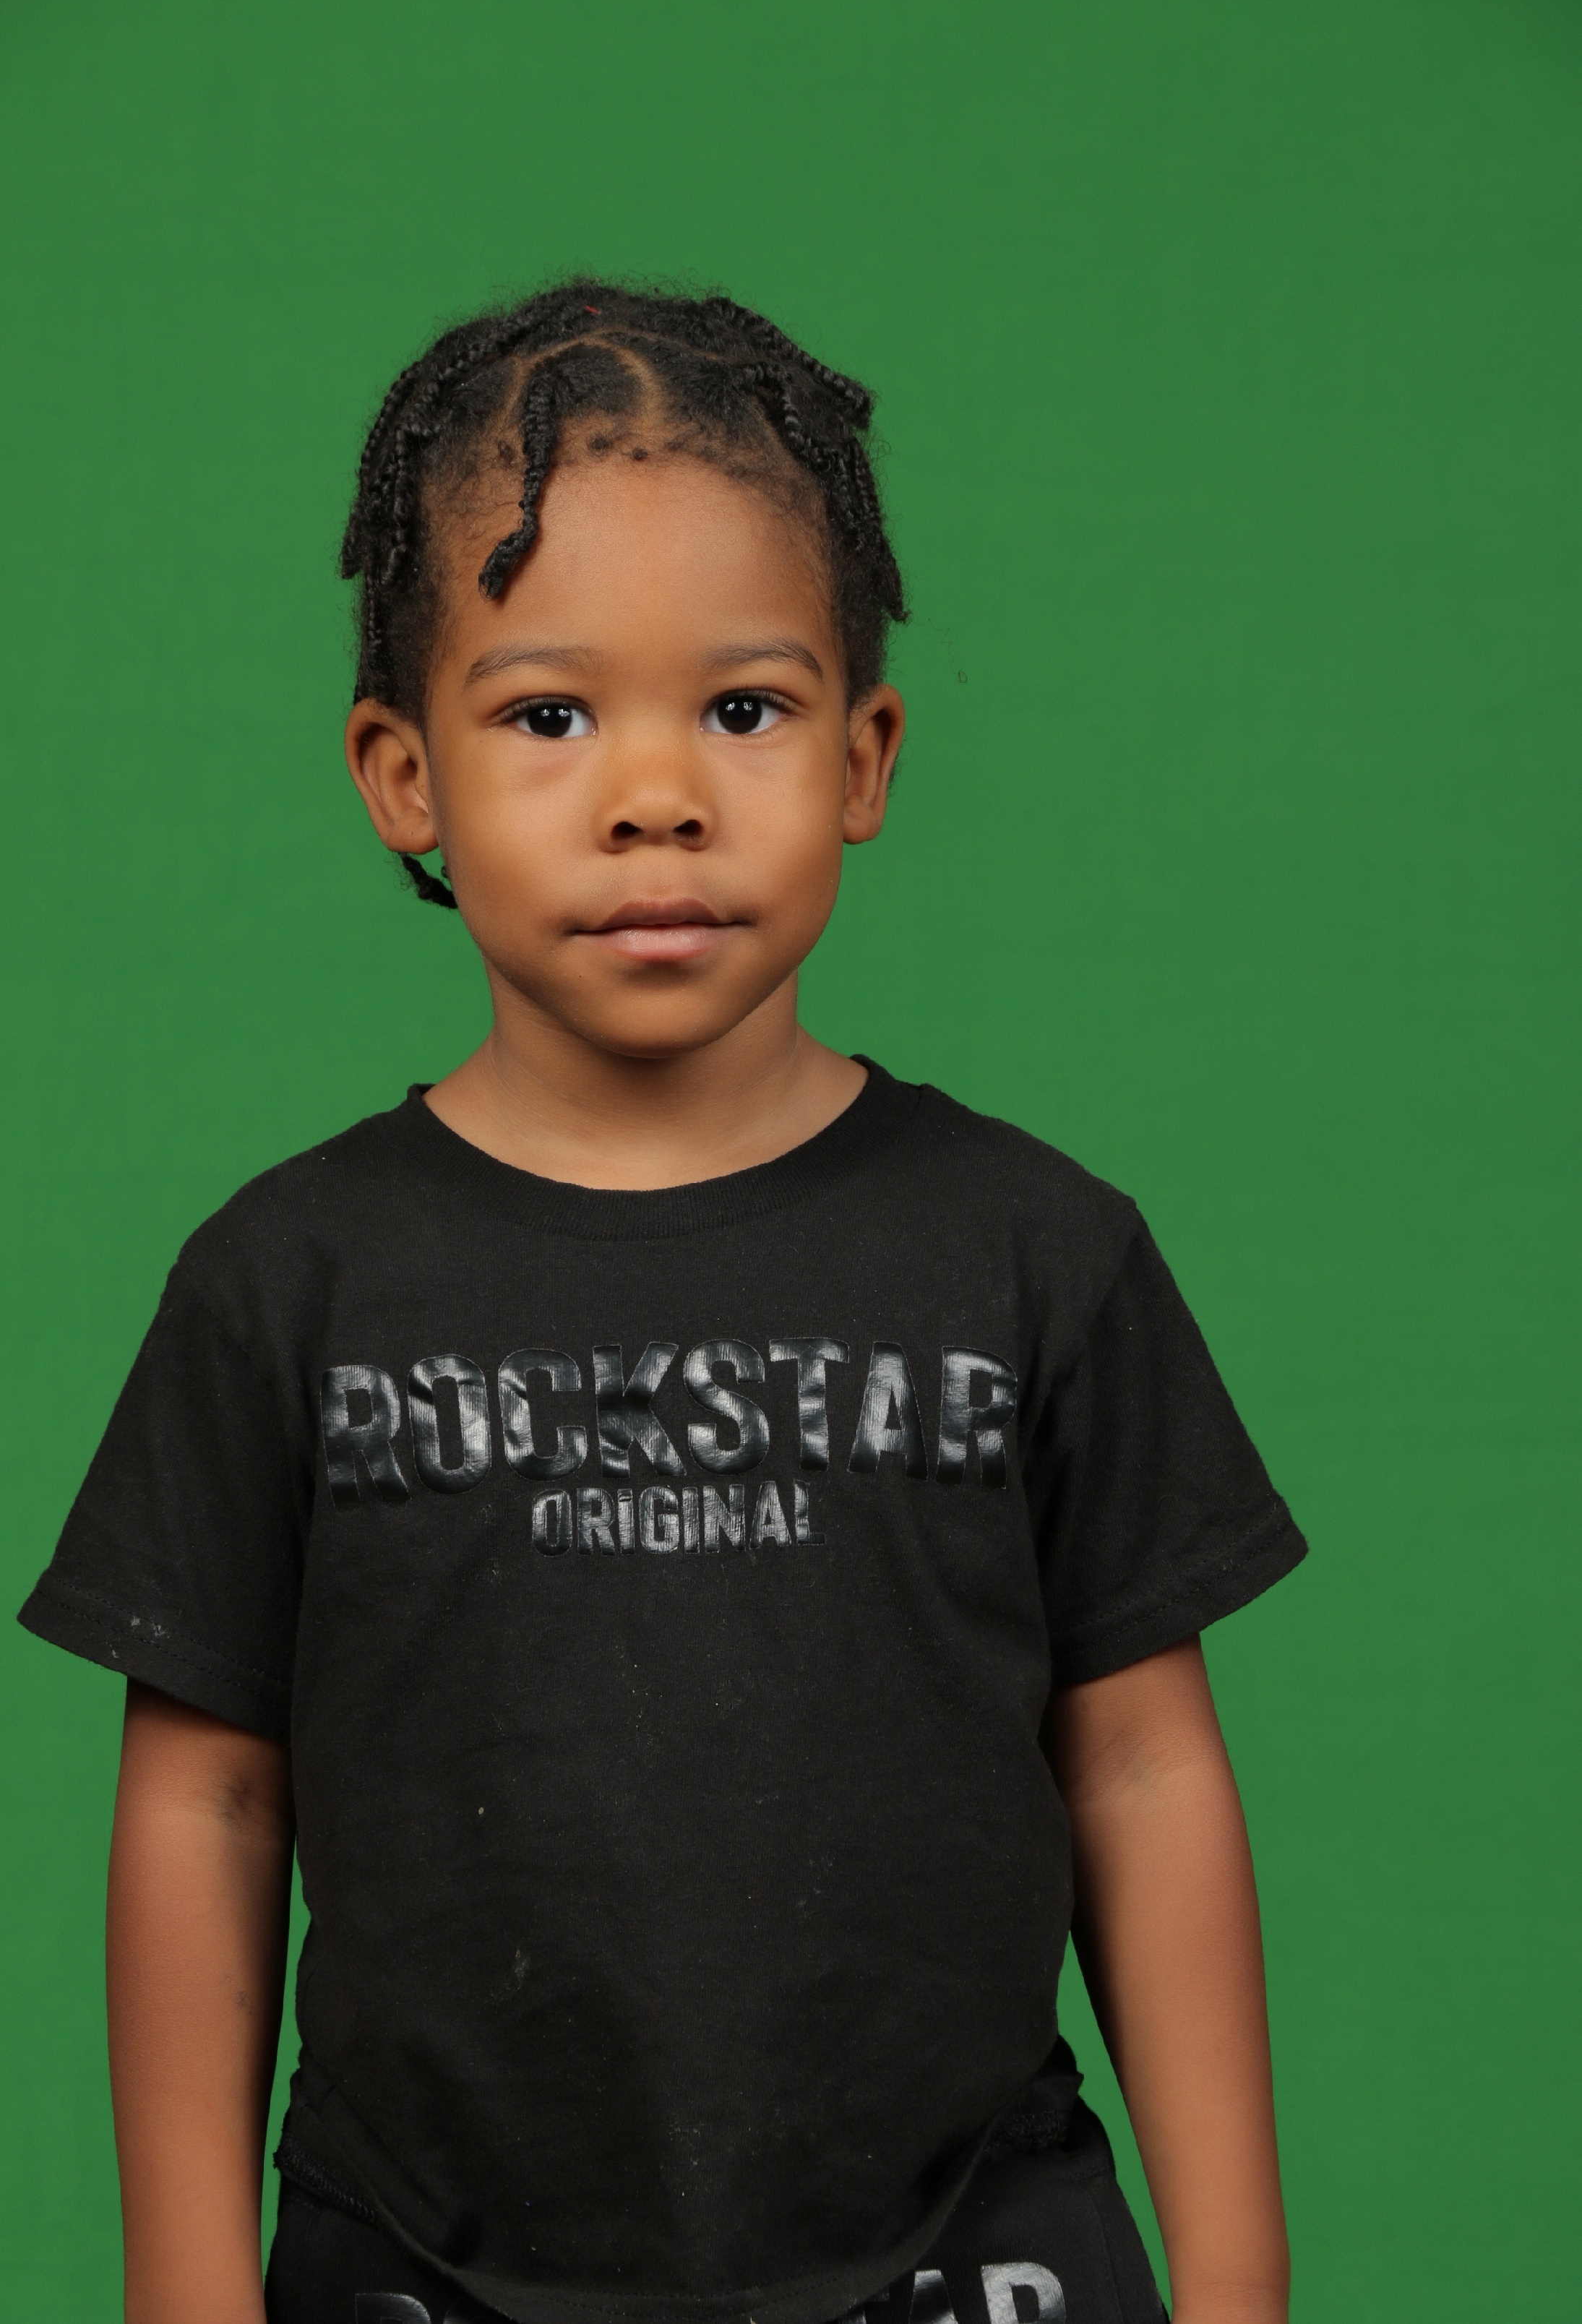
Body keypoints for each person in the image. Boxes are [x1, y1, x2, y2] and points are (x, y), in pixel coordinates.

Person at [20, 282, 1305, 2324]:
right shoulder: (285, 1283)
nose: (655, 794)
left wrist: (1237, 2280)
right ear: (402, 774)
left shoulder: (1038, 1250)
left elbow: (1145, 1771)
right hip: (424, 2271)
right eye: (548, 716)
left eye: (744, 709)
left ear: (866, 754)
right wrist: (186, 2288)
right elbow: (208, 1795)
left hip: (966, 2264)